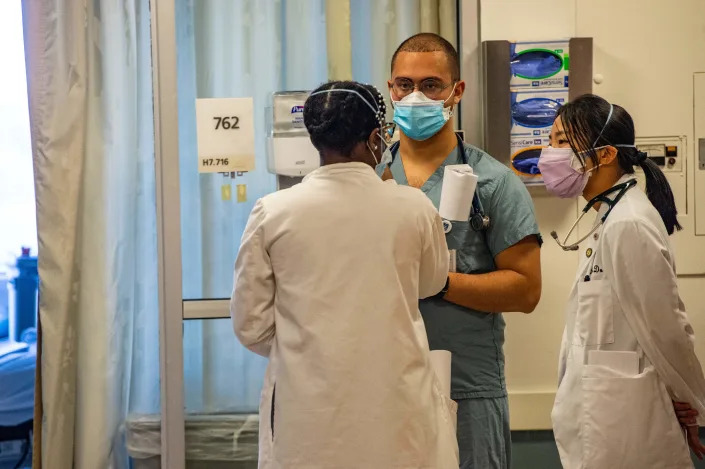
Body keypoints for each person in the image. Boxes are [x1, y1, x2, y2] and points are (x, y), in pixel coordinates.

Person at [230, 80, 459, 469]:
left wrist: (311, 348)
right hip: (396, 410)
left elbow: (251, 325)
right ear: (374, 138)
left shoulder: (274, 211)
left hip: (307, 417)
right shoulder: (413, 207)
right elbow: (432, 283)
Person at [379, 33, 543, 469]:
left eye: (431, 85)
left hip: (467, 387)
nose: (415, 96)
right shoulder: (371, 178)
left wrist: (439, 283)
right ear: (390, 89)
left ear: (457, 91)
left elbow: (526, 291)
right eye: (403, 84)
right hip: (382, 384)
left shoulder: (493, 182)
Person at [542, 94, 705, 468]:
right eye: (551, 140)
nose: (549, 153)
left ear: (606, 155)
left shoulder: (629, 223)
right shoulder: (611, 218)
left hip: (627, 421)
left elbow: (665, 326)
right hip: (606, 417)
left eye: (562, 141)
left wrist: (691, 402)